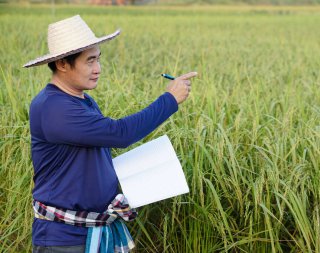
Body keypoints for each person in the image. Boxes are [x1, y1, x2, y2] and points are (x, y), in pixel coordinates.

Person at [24, 15, 197, 253]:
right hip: (64, 240)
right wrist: (169, 100)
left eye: (98, 60)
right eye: (90, 61)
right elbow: (119, 134)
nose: (98, 69)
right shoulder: (54, 108)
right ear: (63, 64)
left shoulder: (81, 99)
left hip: (92, 231)